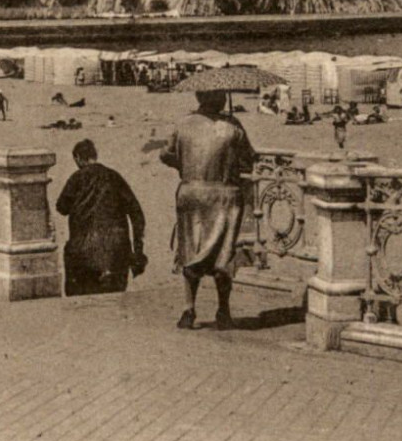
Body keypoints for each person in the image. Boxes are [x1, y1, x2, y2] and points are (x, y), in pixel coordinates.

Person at [159, 88, 257, 330]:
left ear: (198, 98)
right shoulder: (232, 125)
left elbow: (165, 154)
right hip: (224, 196)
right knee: (223, 254)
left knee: (190, 250)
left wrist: (184, 165)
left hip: (191, 194)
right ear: (221, 99)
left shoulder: (182, 124)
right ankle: (223, 310)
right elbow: (249, 158)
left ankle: (188, 309)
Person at [55, 139, 146, 295]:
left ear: (77, 158)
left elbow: (61, 208)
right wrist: (137, 251)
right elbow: (137, 213)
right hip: (116, 252)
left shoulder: (76, 178)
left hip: (83, 253)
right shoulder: (114, 176)